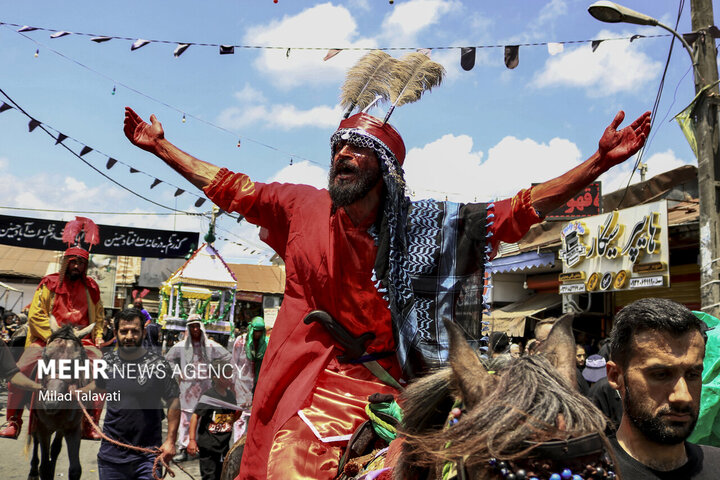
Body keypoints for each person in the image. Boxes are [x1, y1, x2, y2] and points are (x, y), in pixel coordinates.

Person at [124, 69, 649, 477]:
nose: (342, 156)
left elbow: (510, 213)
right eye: (337, 148)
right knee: (291, 465)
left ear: (386, 170)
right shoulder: (300, 206)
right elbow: (232, 188)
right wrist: (159, 147)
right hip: (310, 378)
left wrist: (596, 163)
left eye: (357, 150)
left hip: (402, 382)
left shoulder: (424, 226)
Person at [0, 217, 105, 439]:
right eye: (73, 261)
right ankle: (13, 421)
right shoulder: (49, 283)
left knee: (101, 371)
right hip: (47, 339)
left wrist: (97, 337)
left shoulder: (92, 288)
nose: (76, 266)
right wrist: (54, 337)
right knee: (21, 368)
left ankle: (91, 423)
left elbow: (100, 316)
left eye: (81, 263)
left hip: (81, 341)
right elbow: (37, 314)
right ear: (66, 262)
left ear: (85, 266)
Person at [606, 298, 720, 478]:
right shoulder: (588, 471)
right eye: (661, 375)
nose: (683, 396)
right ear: (615, 376)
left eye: (692, 375)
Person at [79, 307, 180, 479]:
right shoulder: (108, 361)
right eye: (124, 331)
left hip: (148, 455)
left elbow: (174, 401)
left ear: (144, 332)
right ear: (116, 333)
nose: (129, 337)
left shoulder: (158, 364)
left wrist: (170, 441)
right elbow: (99, 386)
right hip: (111, 455)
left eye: (135, 331)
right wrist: (78, 392)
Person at [165, 314, 231, 462]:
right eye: (192, 326)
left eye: (197, 326)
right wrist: (177, 372)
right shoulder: (181, 346)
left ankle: (200, 446)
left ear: (201, 328)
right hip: (187, 387)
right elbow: (168, 359)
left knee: (202, 417)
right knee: (185, 418)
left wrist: (215, 371)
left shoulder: (211, 346)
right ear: (188, 328)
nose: (195, 329)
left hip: (205, 386)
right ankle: (183, 447)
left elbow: (227, 357)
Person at [187, 358, 241, 480]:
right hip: (208, 447)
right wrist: (191, 440)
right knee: (209, 477)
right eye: (225, 376)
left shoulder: (231, 397)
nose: (229, 379)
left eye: (230, 375)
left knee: (222, 476)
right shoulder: (208, 397)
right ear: (215, 377)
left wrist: (240, 411)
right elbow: (195, 416)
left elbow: (232, 418)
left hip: (223, 446)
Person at [245, 316, 267, 393]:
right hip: (244, 378)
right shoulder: (241, 341)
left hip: (259, 378)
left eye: (260, 331)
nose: (258, 334)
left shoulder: (267, 343)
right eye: (256, 331)